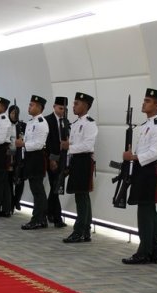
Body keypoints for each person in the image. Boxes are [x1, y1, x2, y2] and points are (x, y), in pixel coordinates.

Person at [122, 89, 157, 264]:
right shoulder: (146, 124)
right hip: (142, 170)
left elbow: (155, 153)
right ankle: (155, 251)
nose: (144, 103)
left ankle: (144, 252)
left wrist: (133, 157)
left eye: (148, 101)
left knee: (145, 212)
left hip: (148, 171)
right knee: (149, 211)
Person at [61, 92, 98, 243]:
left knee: (82, 197)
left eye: (77, 103)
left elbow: (88, 145)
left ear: (85, 105)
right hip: (76, 161)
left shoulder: (90, 123)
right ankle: (85, 230)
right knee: (81, 197)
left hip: (84, 161)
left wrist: (69, 147)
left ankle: (80, 231)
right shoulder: (75, 124)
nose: (73, 106)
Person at [17, 95, 49, 230]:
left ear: (39, 107)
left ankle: (37, 219)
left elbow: (38, 144)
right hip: (30, 157)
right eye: (29, 104)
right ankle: (41, 219)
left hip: (37, 158)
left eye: (32, 105)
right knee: (36, 190)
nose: (29, 107)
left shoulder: (41, 123)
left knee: (38, 190)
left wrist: (23, 144)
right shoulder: (31, 122)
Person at [44, 97, 69, 228]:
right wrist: (51, 159)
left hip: (63, 158)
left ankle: (48, 212)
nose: (62, 111)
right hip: (51, 158)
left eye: (64, 109)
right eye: (60, 108)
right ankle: (57, 218)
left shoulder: (66, 121)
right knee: (56, 186)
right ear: (54, 106)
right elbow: (47, 142)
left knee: (56, 187)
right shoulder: (47, 120)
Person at [8, 104, 26, 213]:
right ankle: (10, 202)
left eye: (16, 113)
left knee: (20, 180)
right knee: (9, 180)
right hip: (9, 155)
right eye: (12, 113)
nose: (14, 115)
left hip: (20, 156)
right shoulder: (6, 125)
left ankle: (17, 200)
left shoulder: (23, 125)